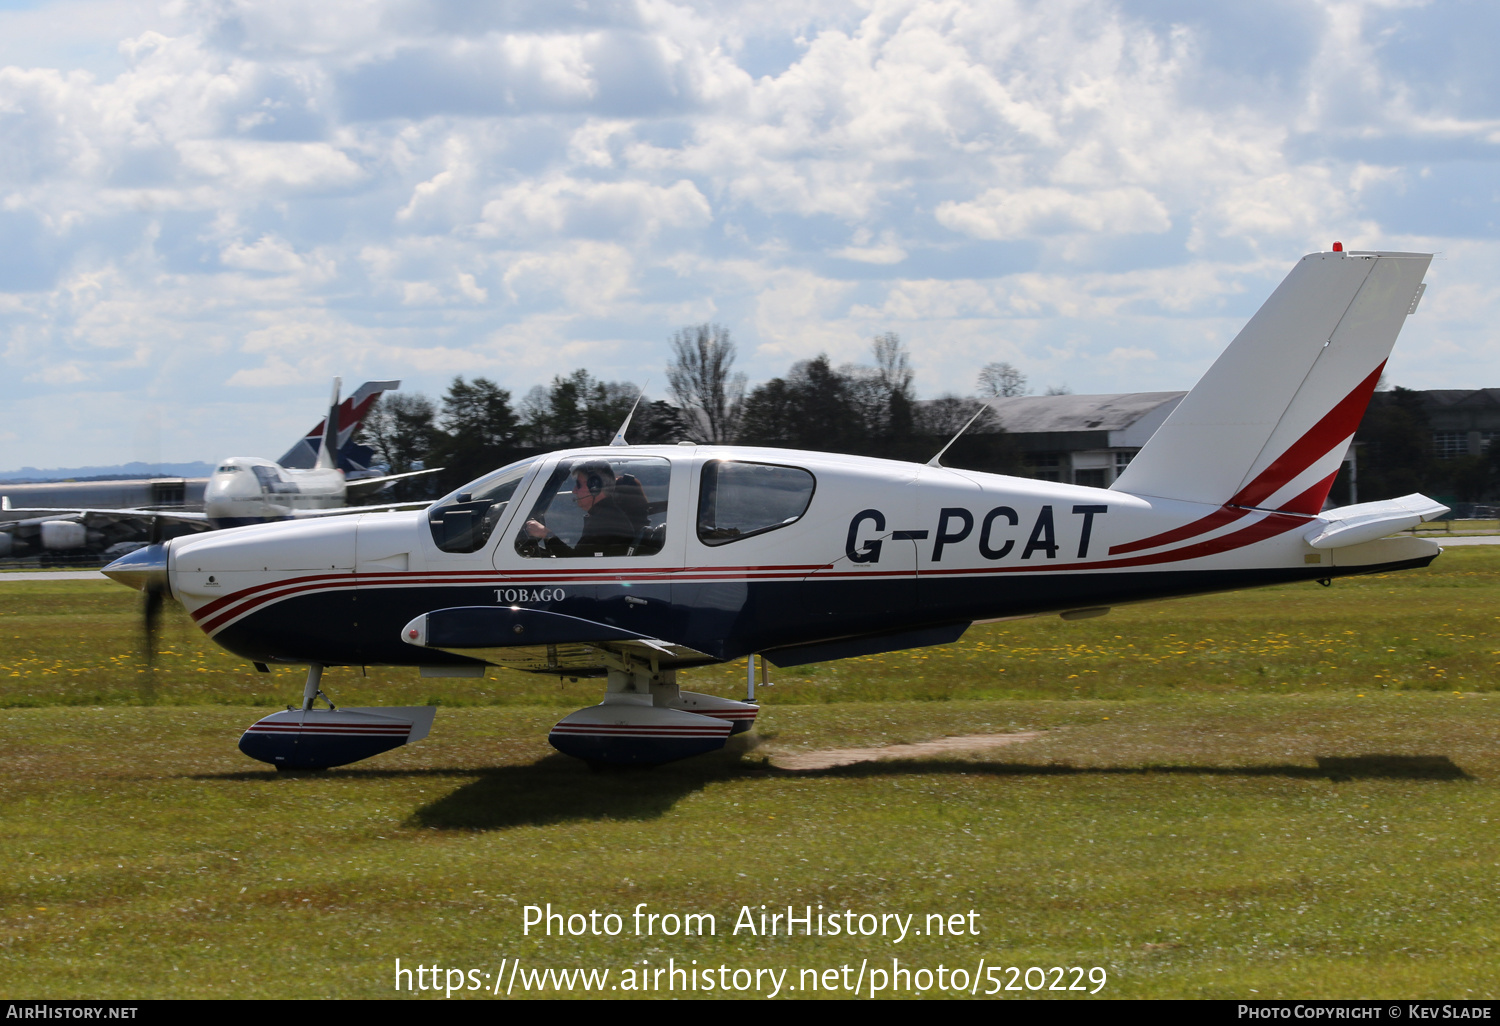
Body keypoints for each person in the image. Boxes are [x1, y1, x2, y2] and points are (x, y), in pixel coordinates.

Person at [523, 461, 645, 557]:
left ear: (595, 487)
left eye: (579, 485)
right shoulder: (604, 515)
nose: (574, 491)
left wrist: (546, 534)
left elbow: (575, 562)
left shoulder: (605, 523)